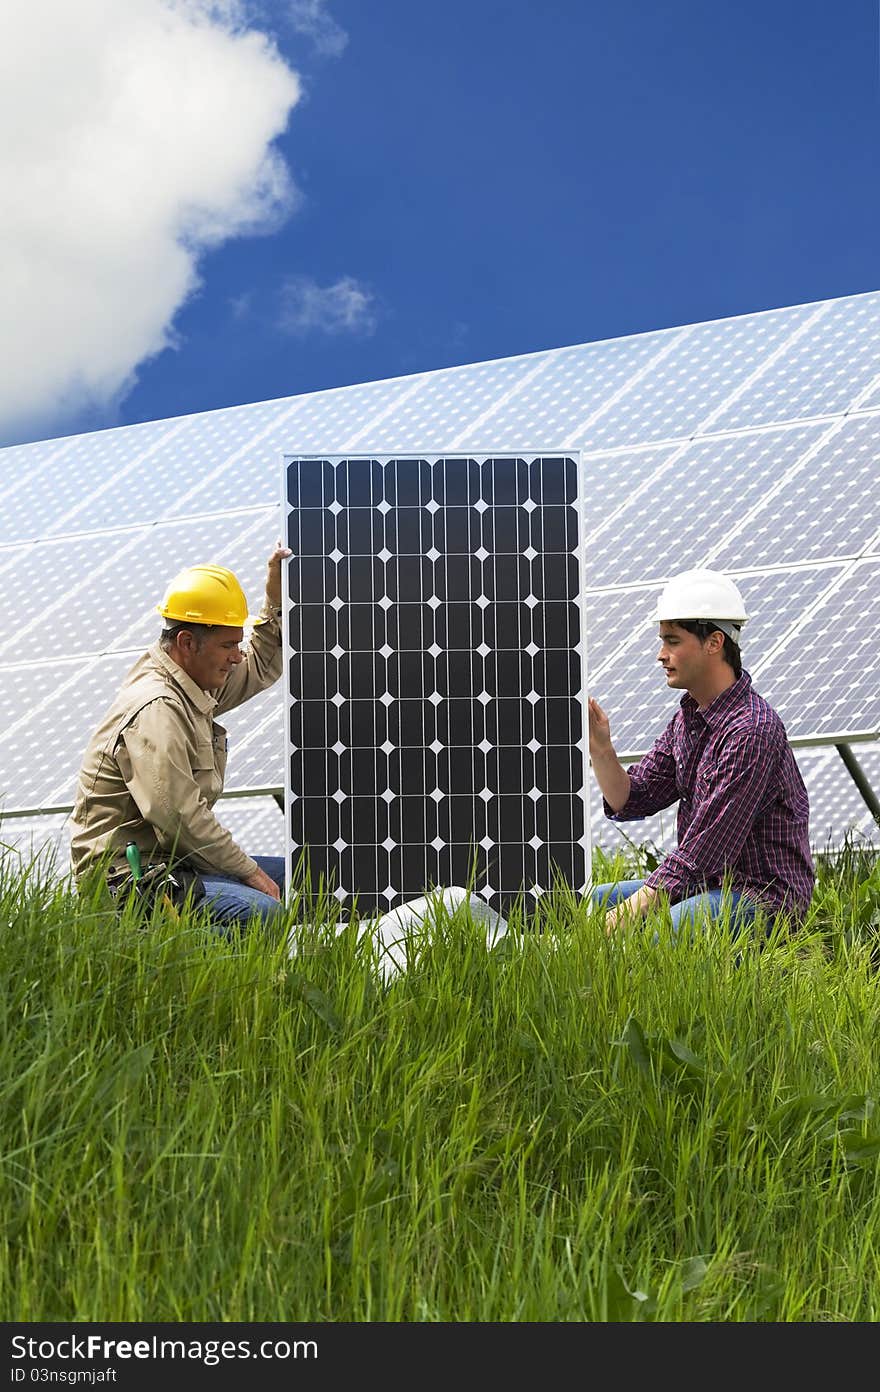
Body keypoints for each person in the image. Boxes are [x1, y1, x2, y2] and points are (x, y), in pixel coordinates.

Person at [70, 543, 292, 931]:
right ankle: (206, 985)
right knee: (262, 910)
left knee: (307, 879)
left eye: (236, 643)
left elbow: (257, 665)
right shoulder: (156, 707)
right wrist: (250, 873)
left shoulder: (192, 681)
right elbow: (179, 817)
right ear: (188, 642)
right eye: (228, 645)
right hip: (130, 882)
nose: (236, 656)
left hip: (176, 863)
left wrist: (273, 598)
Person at [587, 568, 815, 937]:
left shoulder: (751, 731)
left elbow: (705, 849)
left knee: (655, 933)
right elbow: (634, 797)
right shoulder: (688, 718)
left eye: (673, 641)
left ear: (714, 642)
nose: (661, 655)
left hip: (763, 897)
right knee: (582, 905)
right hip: (704, 885)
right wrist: (601, 748)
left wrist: (625, 915)